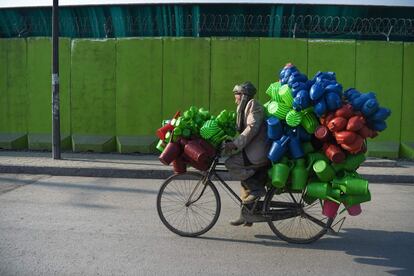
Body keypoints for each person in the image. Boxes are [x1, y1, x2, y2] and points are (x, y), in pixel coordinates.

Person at [223, 81, 270, 226]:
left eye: (236, 94)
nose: (235, 98)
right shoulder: (244, 107)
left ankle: (256, 189)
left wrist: (235, 144)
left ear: (243, 94)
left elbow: (251, 128)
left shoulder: (253, 105)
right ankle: (247, 215)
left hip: (258, 151)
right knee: (244, 180)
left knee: (231, 163)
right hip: (251, 150)